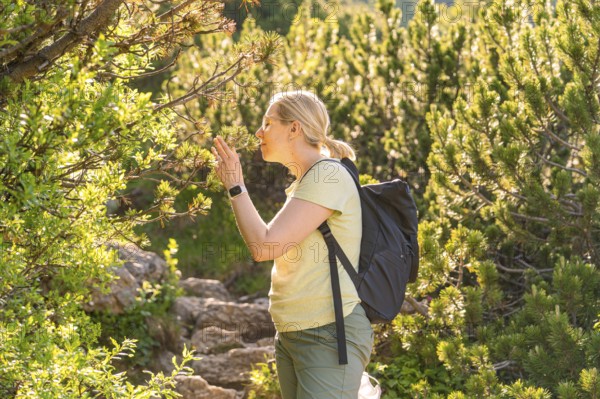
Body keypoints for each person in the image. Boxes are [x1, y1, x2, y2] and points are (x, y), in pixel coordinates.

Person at [211, 90, 373, 399]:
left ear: (294, 128)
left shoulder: (328, 176)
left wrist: (235, 185)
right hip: (294, 333)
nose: (259, 132)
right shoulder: (306, 180)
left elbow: (265, 247)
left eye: (268, 123)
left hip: (327, 333)